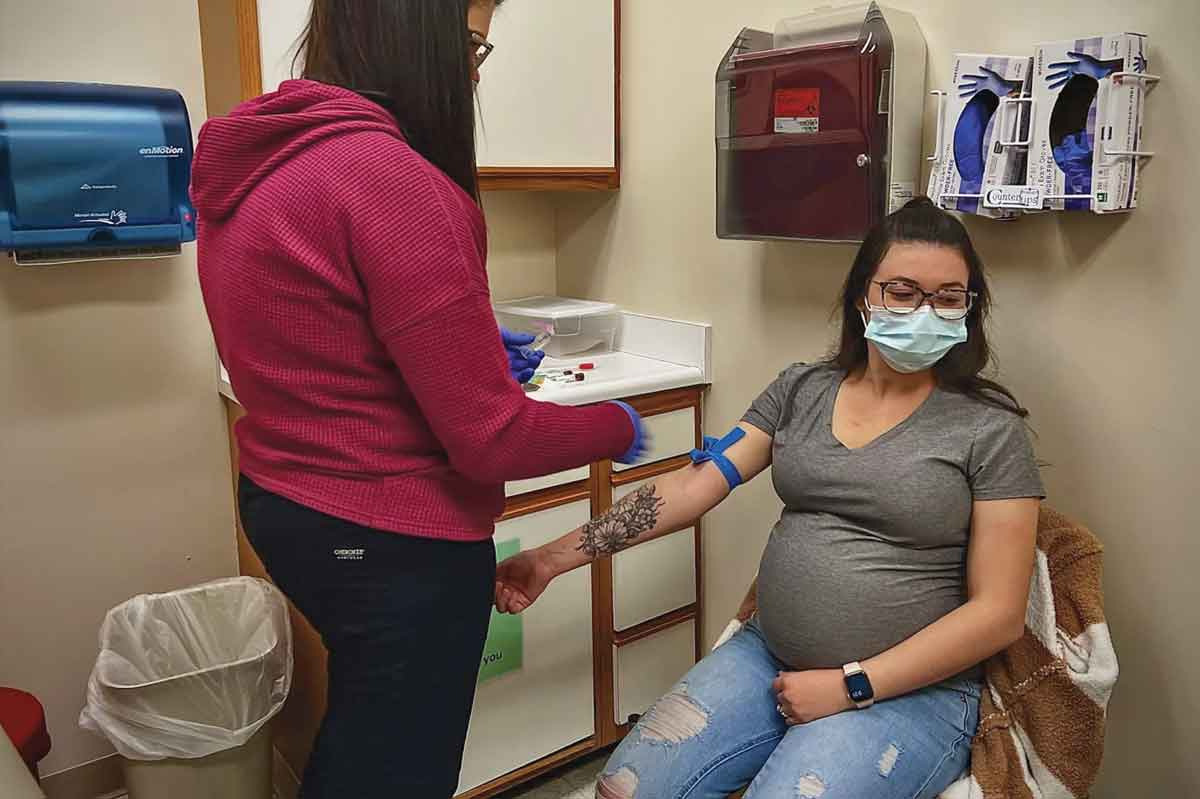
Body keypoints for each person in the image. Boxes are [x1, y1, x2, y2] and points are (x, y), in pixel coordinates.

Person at [190, 1, 647, 796]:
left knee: (367, 730)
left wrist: (459, 349)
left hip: (286, 506)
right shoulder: (396, 180)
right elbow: (492, 439)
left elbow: (320, 342)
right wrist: (615, 424)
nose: (478, 63)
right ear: (411, 30)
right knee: (400, 765)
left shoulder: (263, 165)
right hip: (389, 536)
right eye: (472, 38)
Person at [495, 198, 1044, 799]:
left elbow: (998, 613)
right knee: (625, 788)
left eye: (947, 297)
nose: (924, 312)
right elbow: (690, 487)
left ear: (969, 309)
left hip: (913, 689)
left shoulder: (989, 430)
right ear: (865, 296)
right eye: (903, 292)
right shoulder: (800, 389)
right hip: (768, 655)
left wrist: (851, 685)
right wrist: (550, 558)